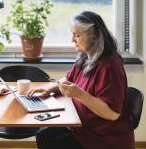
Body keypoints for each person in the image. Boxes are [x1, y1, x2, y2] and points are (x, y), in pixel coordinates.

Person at [26, 11, 135, 149]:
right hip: (83, 126)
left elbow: (112, 114)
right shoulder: (86, 56)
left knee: (51, 143)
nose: (72, 40)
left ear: (94, 36)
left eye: (77, 35)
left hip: (104, 138)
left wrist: (79, 94)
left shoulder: (110, 66)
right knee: (44, 136)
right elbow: (69, 78)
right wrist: (50, 88)